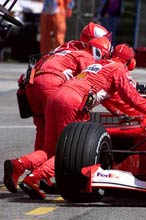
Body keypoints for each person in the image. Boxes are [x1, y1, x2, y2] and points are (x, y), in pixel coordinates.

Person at [18, 41, 146, 200]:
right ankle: (34, 178)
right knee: (71, 150)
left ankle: (19, 164)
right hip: (72, 101)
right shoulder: (119, 69)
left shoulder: (100, 64)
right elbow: (132, 98)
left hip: (56, 97)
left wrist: (134, 114)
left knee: (50, 148)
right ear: (130, 62)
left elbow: (114, 100)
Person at [3, 26, 111, 194]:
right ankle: (29, 171)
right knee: (67, 144)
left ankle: (30, 171)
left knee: (44, 133)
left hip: (32, 84)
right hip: (52, 84)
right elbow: (90, 82)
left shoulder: (65, 47)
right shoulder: (85, 54)